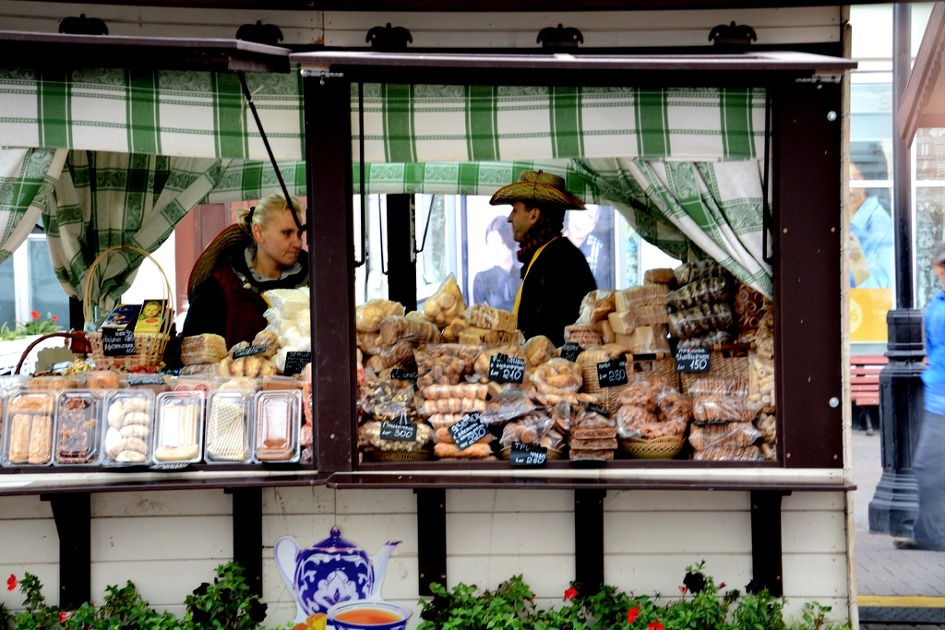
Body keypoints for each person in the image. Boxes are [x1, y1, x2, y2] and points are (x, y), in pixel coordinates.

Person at [182, 194, 308, 349]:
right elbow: (192, 353)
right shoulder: (217, 289)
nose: (297, 243)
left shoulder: (312, 286)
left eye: (299, 234)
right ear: (259, 232)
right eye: (287, 233)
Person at [489, 170, 596, 346]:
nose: (509, 218)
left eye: (515, 210)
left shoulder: (558, 259)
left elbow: (548, 332)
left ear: (534, 215)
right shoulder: (550, 253)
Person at [894, 241, 945, 552]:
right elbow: (932, 347)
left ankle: (931, 535)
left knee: (929, 466)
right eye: (944, 265)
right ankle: (931, 534)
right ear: (935, 267)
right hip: (937, 400)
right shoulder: (936, 305)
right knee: (929, 468)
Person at [849, 158, 894, 289]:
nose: (849, 189)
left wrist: (857, 259)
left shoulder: (880, 225)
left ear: (867, 182)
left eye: (854, 180)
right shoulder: (848, 220)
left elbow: (880, 290)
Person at [473, 216, 521, 312]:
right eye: (491, 245)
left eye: (500, 243)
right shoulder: (482, 280)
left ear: (509, 241)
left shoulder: (525, 274)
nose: (496, 250)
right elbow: (478, 316)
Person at [565, 204, 612, 290]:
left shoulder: (598, 250)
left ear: (593, 226)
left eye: (590, 217)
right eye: (579, 210)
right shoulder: (551, 237)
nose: (581, 221)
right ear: (570, 211)